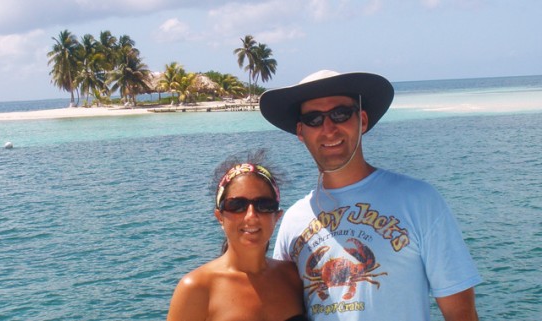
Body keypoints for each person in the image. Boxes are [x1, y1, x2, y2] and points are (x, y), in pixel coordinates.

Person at [259, 70, 481, 321]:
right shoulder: (292, 220)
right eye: (313, 119)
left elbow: (461, 313)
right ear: (301, 131)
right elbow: (283, 306)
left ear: (362, 120)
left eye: (340, 114)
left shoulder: (420, 201)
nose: (329, 128)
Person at [167, 150, 308, 321]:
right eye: (236, 205)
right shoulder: (196, 289)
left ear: (277, 216)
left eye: (263, 204)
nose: (251, 216)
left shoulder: (292, 276)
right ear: (220, 217)